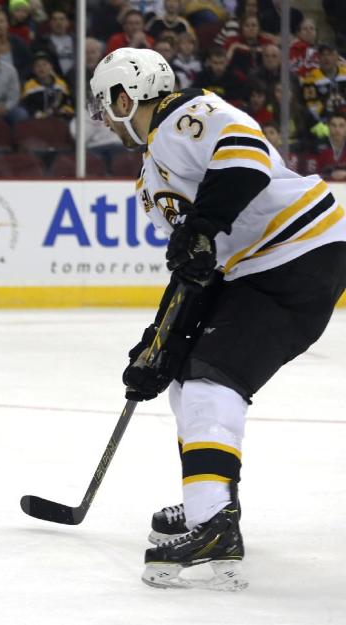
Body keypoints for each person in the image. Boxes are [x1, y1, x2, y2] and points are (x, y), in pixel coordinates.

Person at [89, 47, 346, 590]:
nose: (105, 121)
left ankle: (213, 524)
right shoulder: (152, 175)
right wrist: (157, 344)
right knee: (186, 377)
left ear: (123, 95)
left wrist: (204, 225)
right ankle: (209, 500)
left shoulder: (185, 116)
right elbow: (195, 267)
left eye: (105, 106)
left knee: (211, 377)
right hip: (260, 266)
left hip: (300, 251)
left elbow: (247, 154)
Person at [19, 51, 74, 120]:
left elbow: (68, 101)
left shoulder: (61, 84)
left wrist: (65, 110)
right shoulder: (28, 86)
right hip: (36, 120)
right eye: (37, 65)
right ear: (33, 69)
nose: (41, 68)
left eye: (44, 64)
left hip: (59, 120)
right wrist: (35, 113)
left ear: (51, 66)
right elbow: (25, 104)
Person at [316, 112, 346, 181]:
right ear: (328, 127)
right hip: (324, 187)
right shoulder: (317, 147)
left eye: (341, 126)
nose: (337, 129)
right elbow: (311, 174)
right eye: (333, 125)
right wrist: (329, 175)